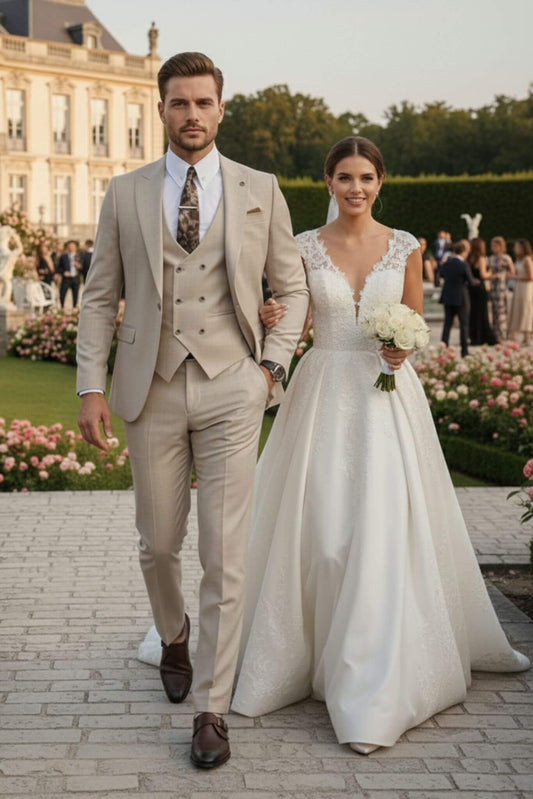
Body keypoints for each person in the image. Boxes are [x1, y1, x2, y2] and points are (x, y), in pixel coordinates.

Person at [230, 136, 529, 755]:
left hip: (389, 399)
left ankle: (376, 670)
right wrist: (269, 317)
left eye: (366, 177)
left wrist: (403, 347)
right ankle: (302, 650)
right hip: (323, 396)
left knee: (386, 525)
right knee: (322, 528)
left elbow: (416, 322)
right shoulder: (304, 247)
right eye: (344, 177)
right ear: (328, 182)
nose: (356, 188)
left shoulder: (407, 247)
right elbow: (298, 323)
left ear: (381, 181)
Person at [76, 51, 308, 770]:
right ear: (161, 109)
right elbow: (96, 296)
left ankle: (212, 705)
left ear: (220, 108)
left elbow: (291, 286)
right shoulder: (125, 192)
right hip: (151, 385)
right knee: (157, 541)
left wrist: (270, 368)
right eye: (179, 104)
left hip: (233, 386)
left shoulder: (259, 188)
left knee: (224, 552)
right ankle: (172, 633)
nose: (192, 116)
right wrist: (90, 384)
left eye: (203, 103)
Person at [439, 239, 479, 357]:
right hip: (461, 297)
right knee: (464, 324)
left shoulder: (447, 263)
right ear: (464, 251)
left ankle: (443, 349)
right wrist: (479, 282)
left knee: (447, 324)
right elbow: (471, 281)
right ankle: (464, 351)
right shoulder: (463, 265)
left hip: (447, 296)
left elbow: (440, 275)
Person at [467, 238, 496, 346]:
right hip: (480, 289)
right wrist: (491, 272)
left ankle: (475, 337)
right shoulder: (481, 258)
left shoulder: (469, 258)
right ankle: (484, 337)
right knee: (482, 314)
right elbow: (483, 275)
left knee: (473, 314)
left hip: (471, 289)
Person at [488, 236, 515, 342]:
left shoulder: (506, 258)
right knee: (494, 311)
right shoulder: (490, 258)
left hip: (502, 287)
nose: (493, 248)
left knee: (501, 311)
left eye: (495, 246)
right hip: (493, 287)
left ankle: (502, 334)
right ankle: (495, 334)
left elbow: (512, 273)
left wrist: (503, 275)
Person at [508, 238, 533, 346]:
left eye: (517, 247)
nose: (515, 249)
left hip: (526, 288)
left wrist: (514, 277)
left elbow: (530, 276)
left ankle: (527, 335)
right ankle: (517, 334)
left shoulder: (527, 259)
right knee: (518, 309)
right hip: (518, 287)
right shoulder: (519, 260)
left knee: (526, 309)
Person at [57, 240, 82, 308]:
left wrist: (78, 266)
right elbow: (59, 268)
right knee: (62, 294)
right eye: (70, 246)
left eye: (73, 246)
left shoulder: (80, 256)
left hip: (76, 278)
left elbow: (84, 267)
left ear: (76, 247)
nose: (71, 248)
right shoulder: (63, 256)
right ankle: (62, 307)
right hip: (66, 279)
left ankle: (74, 308)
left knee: (75, 294)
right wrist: (63, 272)